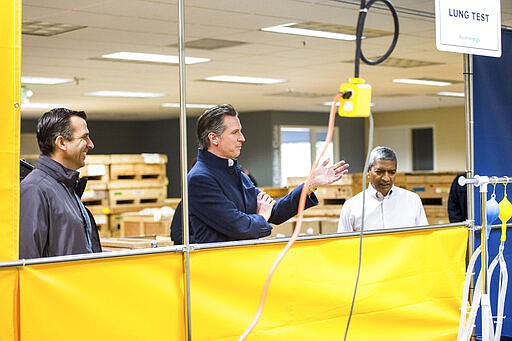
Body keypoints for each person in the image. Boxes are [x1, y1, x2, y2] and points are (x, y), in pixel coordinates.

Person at [171, 104, 349, 244]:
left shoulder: (235, 172)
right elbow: (242, 228)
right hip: (221, 272)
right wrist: (261, 216)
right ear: (214, 138)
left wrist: (309, 185)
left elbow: (275, 212)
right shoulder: (200, 179)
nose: (242, 138)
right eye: (235, 132)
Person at [19, 108, 102, 259]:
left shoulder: (65, 187)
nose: (91, 145)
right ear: (61, 143)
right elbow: (27, 260)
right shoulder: (34, 189)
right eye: (84, 138)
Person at [337, 146, 428, 232]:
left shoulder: (412, 200)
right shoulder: (351, 207)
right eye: (379, 172)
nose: (386, 178)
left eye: (392, 172)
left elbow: (424, 239)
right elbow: (343, 245)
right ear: (368, 171)